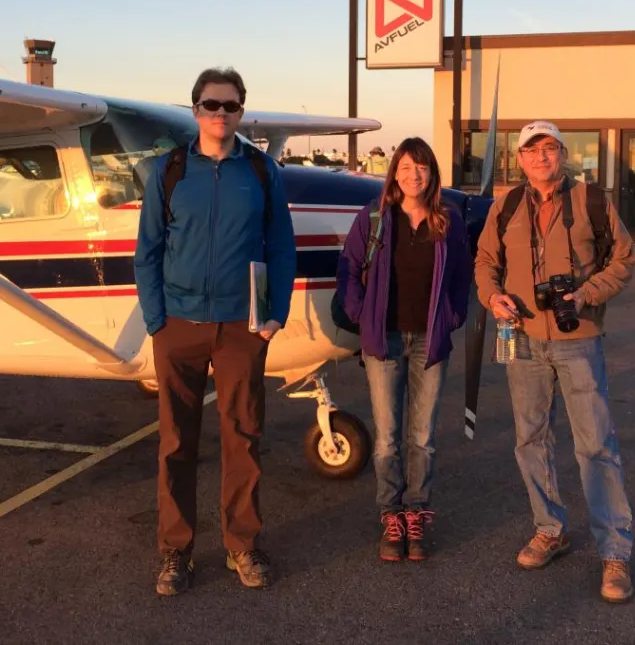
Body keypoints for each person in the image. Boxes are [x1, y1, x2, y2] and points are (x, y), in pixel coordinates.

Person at [134, 67, 297, 596]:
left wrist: (273, 316)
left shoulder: (262, 171)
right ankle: (175, 551)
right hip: (178, 325)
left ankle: (242, 545)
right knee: (176, 443)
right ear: (196, 110)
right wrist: (158, 322)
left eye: (229, 106)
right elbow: (148, 252)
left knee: (243, 439)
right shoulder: (169, 170)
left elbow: (280, 246)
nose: (219, 115)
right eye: (210, 105)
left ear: (241, 112)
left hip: (240, 328)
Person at [473, 121, 635, 603]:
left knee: (595, 445)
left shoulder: (591, 201)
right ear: (519, 159)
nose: (540, 157)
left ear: (562, 154)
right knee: (531, 438)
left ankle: (615, 552)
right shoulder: (505, 207)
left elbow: (623, 259)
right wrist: (493, 295)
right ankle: (550, 529)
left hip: (578, 338)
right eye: (531, 150)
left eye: (549, 148)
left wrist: (586, 294)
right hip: (522, 338)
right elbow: (485, 260)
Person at [336, 137, 473, 562]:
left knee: (423, 436)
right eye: (407, 167)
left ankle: (417, 510)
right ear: (395, 172)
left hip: (428, 340)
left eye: (423, 167)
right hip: (385, 340)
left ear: (432, 174)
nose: (415, 175)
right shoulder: (374, 218)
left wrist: (452, 316)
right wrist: (361, 314)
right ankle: (390, 514)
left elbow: (462, 276)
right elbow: (349, 269)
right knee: (387, 438)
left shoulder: (446, 220)